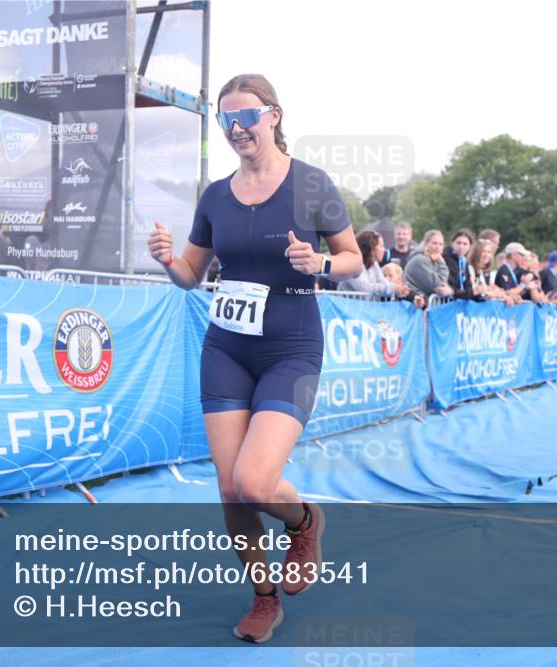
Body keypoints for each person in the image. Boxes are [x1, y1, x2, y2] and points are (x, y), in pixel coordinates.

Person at [145, 73, 363, 644]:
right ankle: (264, 598)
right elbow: (191, 277)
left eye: (247, 117)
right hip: (226, 347)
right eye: (226, 120)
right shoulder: (216, 194)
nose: (237, 128)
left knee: (254, 481)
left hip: (290, 348)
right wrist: (169, 260)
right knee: (228, 487)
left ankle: (305, 521)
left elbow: (353, 260)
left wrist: (319, 264)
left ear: (274, 116)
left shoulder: (311, 184)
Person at [339, 230, 410, 298]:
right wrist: (393, 288)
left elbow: (383, 282)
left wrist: (401, 289)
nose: (384, 250)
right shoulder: (353, 263)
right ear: (372, 248)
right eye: (381, 246)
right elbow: (364, 287)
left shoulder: (374, 264)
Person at [403, 229, 453, 301]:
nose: (437, 247)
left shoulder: (434, 260)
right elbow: (438, 286)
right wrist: (442, 263)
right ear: (426, 244)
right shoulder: (421, 261)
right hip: (415, 305)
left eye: (440, 244)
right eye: (434, 243)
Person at [467, 239, 514, 305]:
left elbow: (492, 288)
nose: (486, 255)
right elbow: (475, 290)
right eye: (483, 251)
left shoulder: (485, 271)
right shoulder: (469, 268)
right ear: (476, 252)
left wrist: (508, 296)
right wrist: (497, 294)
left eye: (489, 252)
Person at [443, 228, 474, 298]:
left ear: (470, 246)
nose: (461, 247)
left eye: (465, 244)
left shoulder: (464, 261)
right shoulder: (447, 259)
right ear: (452, 243)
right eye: (458, 243)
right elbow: (452, 285)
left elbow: (467, 285)